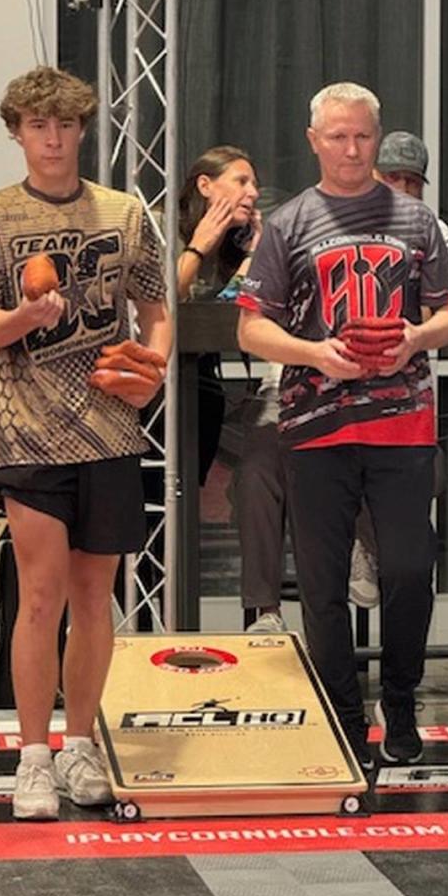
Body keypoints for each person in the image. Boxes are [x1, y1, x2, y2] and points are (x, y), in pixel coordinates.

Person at [0, 66, 172, 820]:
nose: (51, 138)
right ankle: (32, 758)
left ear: (82, 131)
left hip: (110, 429)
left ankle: (80, 746)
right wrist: (26, 317)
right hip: (29, 431)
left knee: (94, 599)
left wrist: (154, 367)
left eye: (65, 125)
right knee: (38, 595)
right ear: (16, 132)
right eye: (37, 125)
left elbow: (156, 303)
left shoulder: (123, 211)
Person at [237, 82, 448, 773]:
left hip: (403, 421)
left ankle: (400, 699)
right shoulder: (288, 225)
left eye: (362, 135)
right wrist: (314, 353)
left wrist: (413, 340)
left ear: (377, 135)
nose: (351, 148)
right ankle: (344, 714)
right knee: (321, 581)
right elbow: (251, 328)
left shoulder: (416, 221)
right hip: (317, 425)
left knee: (407, 568)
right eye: (337, 136)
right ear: (314, 142)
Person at [177, 147, 288, 633]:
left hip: (201, 388)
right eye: (241, 181)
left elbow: (234, 311)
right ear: (206, 186)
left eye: (254, 183)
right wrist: (200, 244)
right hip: (156, 396)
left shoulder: (239, 245)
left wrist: (254, 258)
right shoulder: (175, 232)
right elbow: (165, 302)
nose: (253, 192)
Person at [349, 129, 448, 608]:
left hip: (405, 388)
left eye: (413, 182)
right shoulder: (338, 219)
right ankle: (362, 546)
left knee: (427, 478)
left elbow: (437, 314)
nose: (403, 189)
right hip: (342, 386)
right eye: (393, 177)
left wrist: (411, 335)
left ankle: (373, 551)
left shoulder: (432, 230)